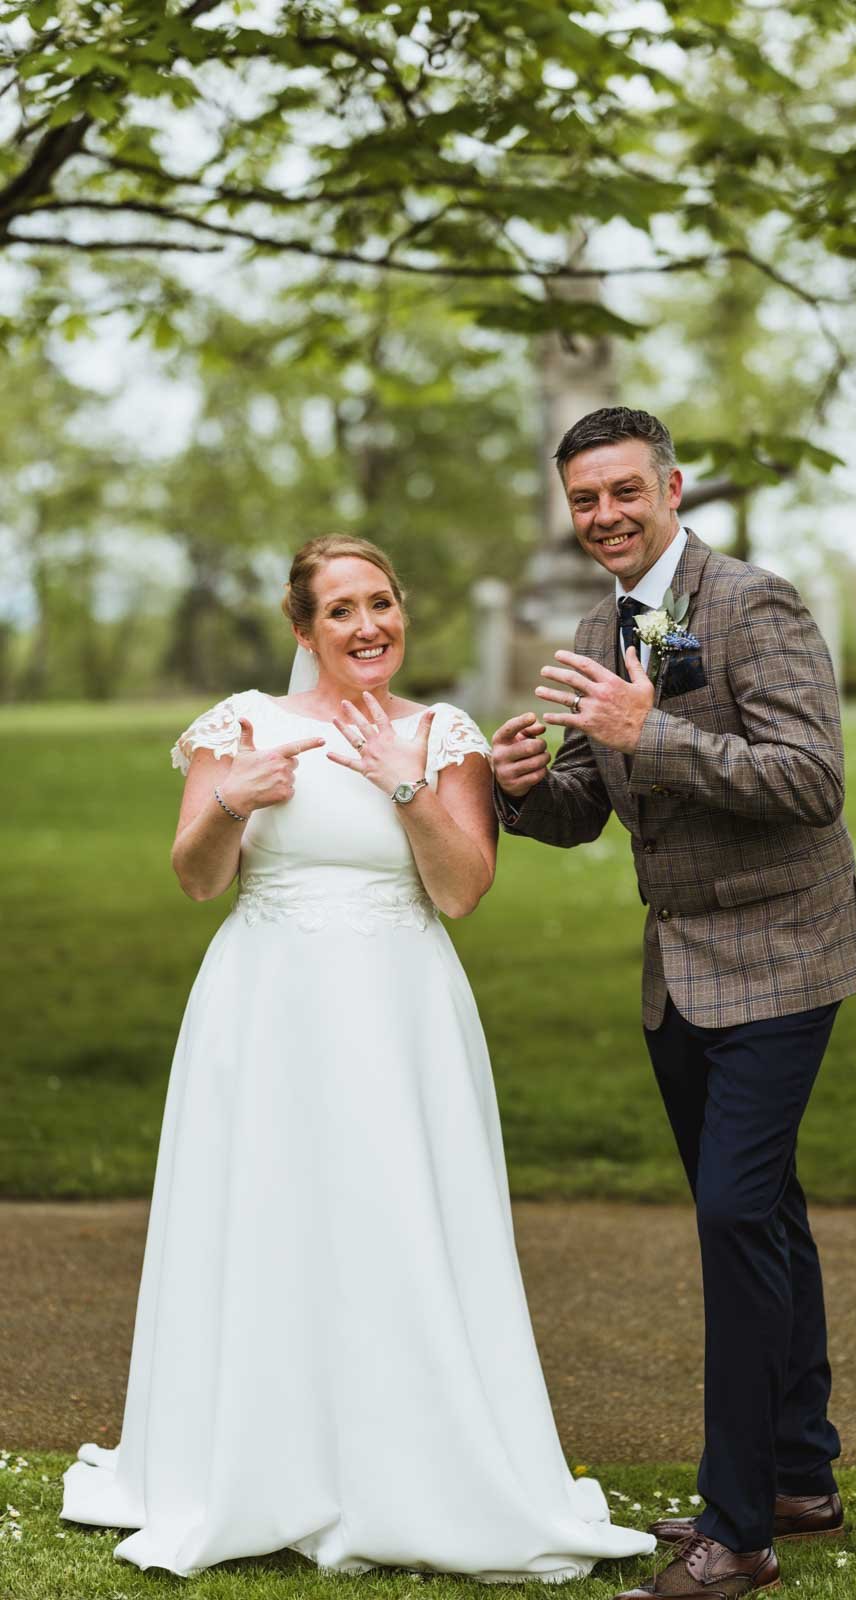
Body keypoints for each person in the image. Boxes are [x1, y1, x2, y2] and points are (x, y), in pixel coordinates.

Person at [61, 533, 655, 1581]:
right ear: (302, 628)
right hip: (264, 1003)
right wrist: (235, 799)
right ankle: (250, 1456)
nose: (368, 625)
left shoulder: (442, 731)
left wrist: (406, 785)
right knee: (266, 1209)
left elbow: (462, 889)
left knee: (396, 1210)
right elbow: (198, 879)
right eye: (340, 609)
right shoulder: (241, 725)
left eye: (381, 602)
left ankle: (415, 1458)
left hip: (399, 1008)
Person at [492, 409, 856, 1600]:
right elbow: (592, 801)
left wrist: (645, 728)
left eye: (624, 490)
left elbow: (811, 782)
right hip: (680, 967)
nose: (605, 514)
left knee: (730, 1212)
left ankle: (738, 1529)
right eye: (584, 500)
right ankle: (798, 1478)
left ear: (669, 486)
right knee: (761, 1209)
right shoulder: (593, 625)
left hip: (783, 951)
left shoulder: (752, 603)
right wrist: (526, 786)